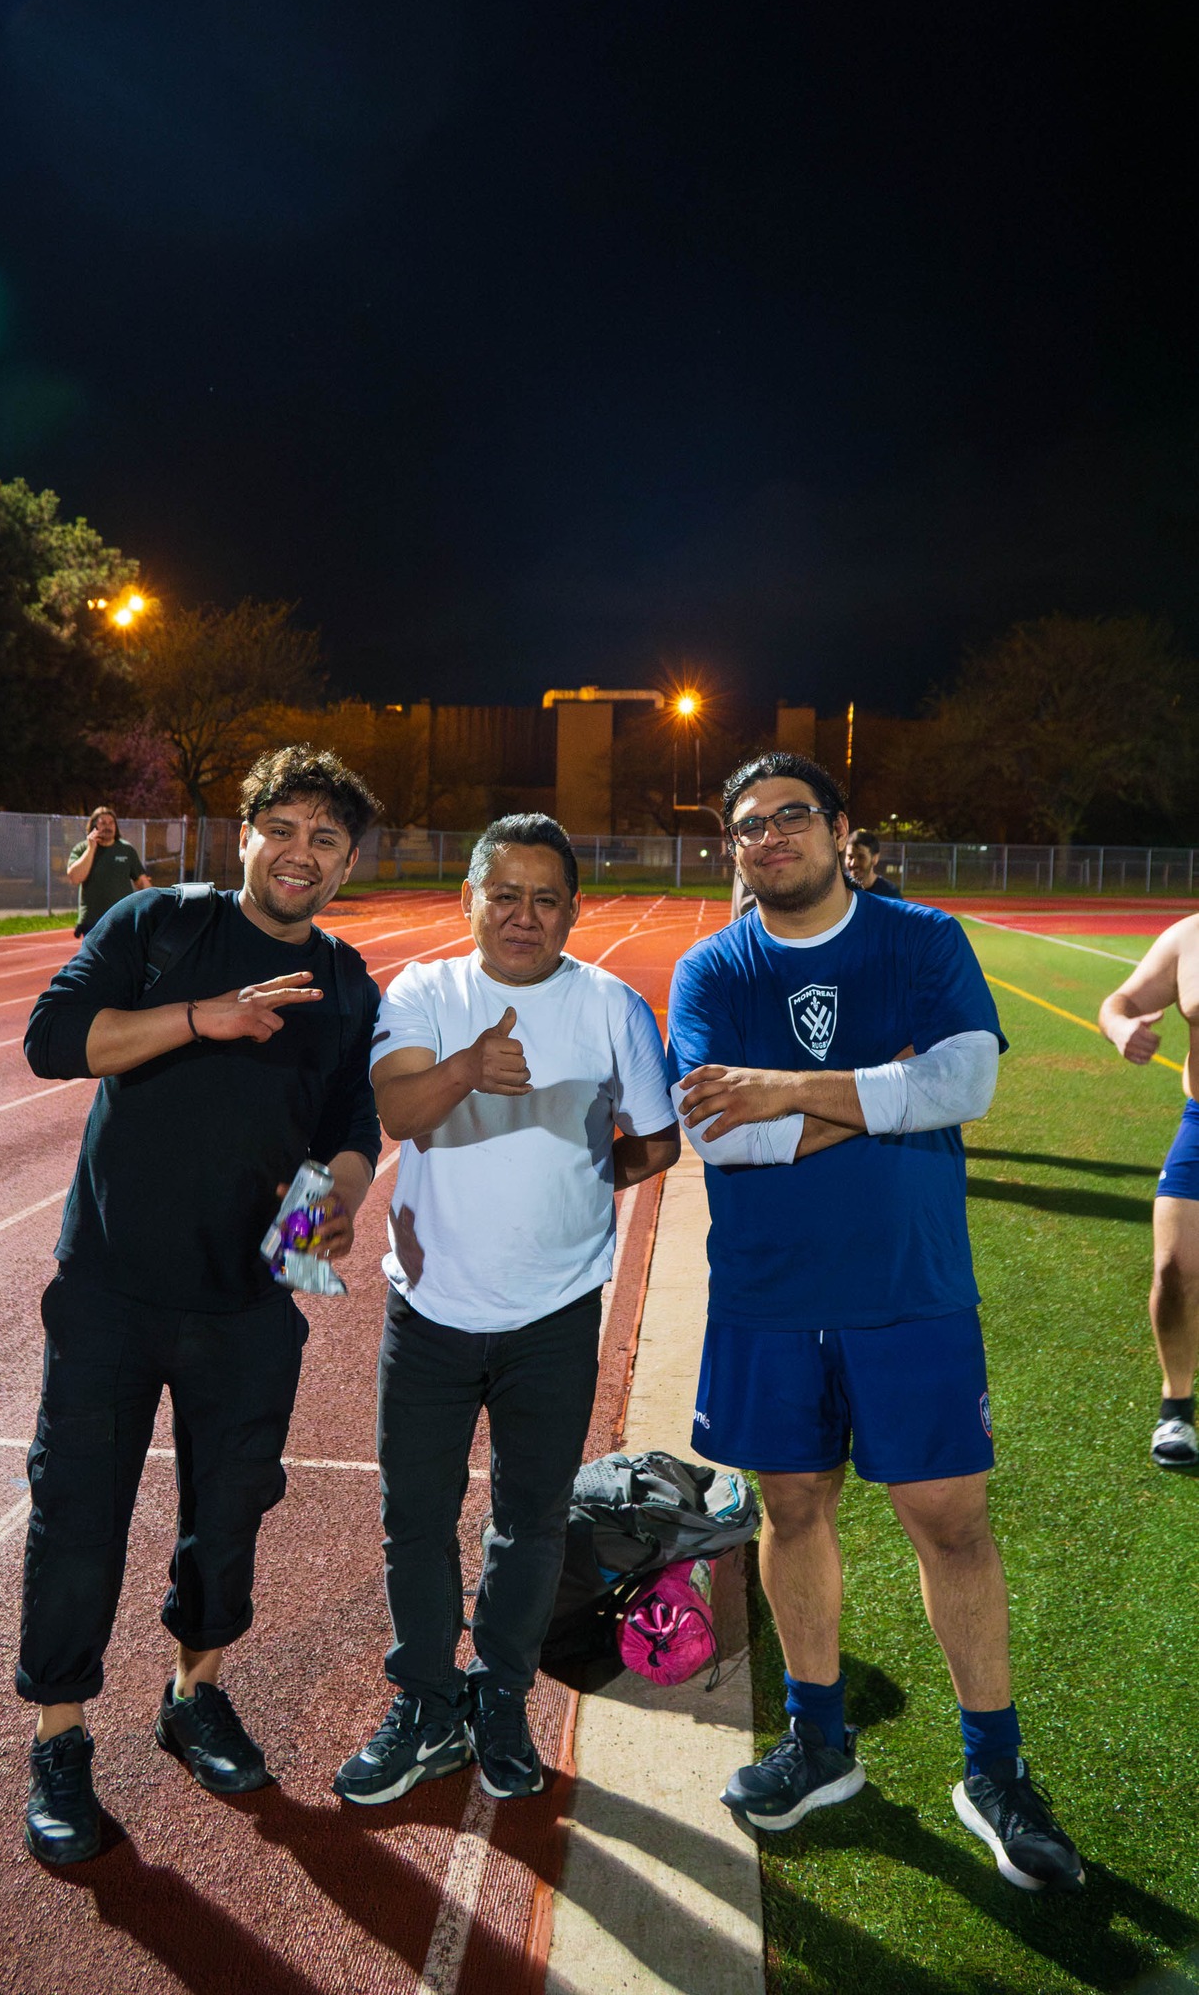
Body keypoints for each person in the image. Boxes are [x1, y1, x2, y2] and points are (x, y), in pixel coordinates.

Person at [667, 750, 1082, 1892]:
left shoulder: (920, 939)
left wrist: (794, 1086)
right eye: (747, 826)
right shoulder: (712, 967)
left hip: (912, 1288)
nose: (769, 837)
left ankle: (992, 1767)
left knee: (949, 1519)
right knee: (791, 1506)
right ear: (734, 850)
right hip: (771, 1291)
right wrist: (876, 1091)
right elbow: (715, 1133)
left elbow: (967, 1085)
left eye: (791, 815)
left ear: (838, 829)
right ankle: (818, 1741)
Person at [18, 745, 382, 1865]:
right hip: (113, 1288)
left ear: (347, 862)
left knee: (229, 1514)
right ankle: (61, 1739)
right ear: (244, 834)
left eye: (328, 838)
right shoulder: (152, 924)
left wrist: (332, 1208)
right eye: (286, 828)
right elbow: (51, 1045)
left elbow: (350, 1128)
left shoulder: (346, 978)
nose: (303, 853)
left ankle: (193, 1693)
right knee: (79, 1516)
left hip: (249, 1301)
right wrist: (201, 1015)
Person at [333, 814, 679, 1806]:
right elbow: (397, 1111)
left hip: (556, 1313)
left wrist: (580, 1176)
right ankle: (427, 1701)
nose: (523, 916)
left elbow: (655, 1144)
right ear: (469, 898)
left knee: (528, 1523)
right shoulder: (425, 990)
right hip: (430, 1309)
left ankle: (502, 1698)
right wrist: (469, 1069)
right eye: (504, 894)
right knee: (415, 1520)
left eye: (545, 898)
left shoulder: (614, 1005)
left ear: (574, 910)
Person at [1099, 916, 1199, 1468]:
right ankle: (1176, 1407)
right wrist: (1119, 1027)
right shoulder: (1190, 936)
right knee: (1172, 1269)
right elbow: (1120, 1000)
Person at [66, 805, 152, 937]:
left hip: (123, 918)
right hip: (93, 921)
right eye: (103, 823)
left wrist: (152, 903)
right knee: (97, 957)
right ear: (94, 826)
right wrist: (91, 848)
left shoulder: (126, 850)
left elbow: (142, 882)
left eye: (111, 823)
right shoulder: (82, 849)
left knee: (123, 957)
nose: (108, 826)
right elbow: (75, 878)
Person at [845, 828, 902, 898]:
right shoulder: (838, 888)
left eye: (861, 857)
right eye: (850, 857)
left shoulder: (889, 893)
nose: (853, 863)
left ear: (875, 858)